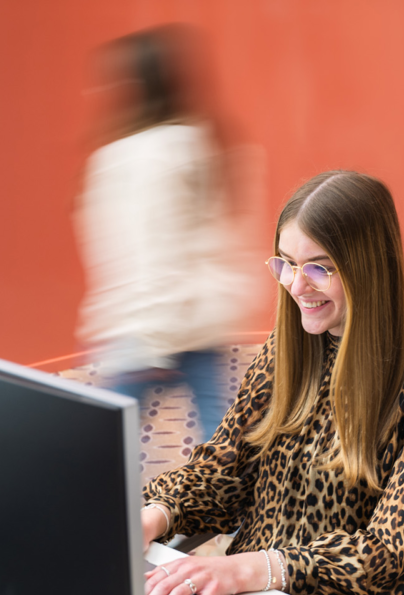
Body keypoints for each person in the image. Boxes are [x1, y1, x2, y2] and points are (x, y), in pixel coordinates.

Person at [139, 171, 404, 595]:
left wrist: (251, 569)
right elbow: (224, 471)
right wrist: (155, 515)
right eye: (285, 264)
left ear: (368, 267)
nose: (296, 286)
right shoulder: (287, 348)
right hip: (252, 580)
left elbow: (386, 557)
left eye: (319, 267)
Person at [75, 26, 255, 442]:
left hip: (147, 325)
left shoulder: (142, 155)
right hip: (195, 320)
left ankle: (88, 504)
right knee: (219, 431)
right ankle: (237, 502)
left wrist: (151, 342)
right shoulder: (196, 142)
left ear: (135, 84)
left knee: (100, 440)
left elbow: (153, 249)